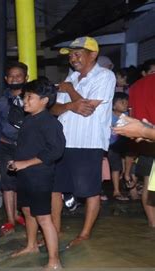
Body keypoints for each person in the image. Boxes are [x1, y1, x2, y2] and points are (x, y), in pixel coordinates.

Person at [50, 36, 116, 248]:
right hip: (64, 141)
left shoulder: (105, 76)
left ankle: (85, 234)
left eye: (77, 54)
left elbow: (87, 109)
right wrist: (70, 105)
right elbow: (54, 109)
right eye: (70, 55)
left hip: (89, 143)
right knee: (55, 189)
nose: (73, 58)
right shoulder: (71, 77)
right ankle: (56, 230)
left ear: (93, 54)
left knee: (89, 191)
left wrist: (69, 90)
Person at [8, 79, 65, 271]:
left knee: (43, 218)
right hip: (24, 175)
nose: (25, 100)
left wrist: (26, 163)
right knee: (27, 211)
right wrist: (16, 162)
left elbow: (56, 150)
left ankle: (54, 261)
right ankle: (31, 246)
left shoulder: (50, 122)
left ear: (44, 100)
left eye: (30, 97)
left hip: (39, 176)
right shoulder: (28, 120)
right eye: (25, 96)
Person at [0, 62, 29, 235]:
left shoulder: (32, 97)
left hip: (27, 147)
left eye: (18, 75)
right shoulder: (1, 101)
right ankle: (11, 220)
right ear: (6, 79)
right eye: (11, 76)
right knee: (7, 183)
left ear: (25, 78)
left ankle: (21, 214)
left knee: (26, 182)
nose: (15, 78)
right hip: (6, 145)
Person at [123, 66, 155, 227]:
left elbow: (132, 117)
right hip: (148, 137)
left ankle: (152, 223)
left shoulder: (135, 87)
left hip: (144, 143)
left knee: (150, 186)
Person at [108, 92, 130, 201]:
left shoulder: (127, 115)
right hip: (112, 146)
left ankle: (128, 184)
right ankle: (116, 191)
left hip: (124, 144)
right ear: (113, 105)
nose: (125, 104)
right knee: (116, 167)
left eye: (126, 102)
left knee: (129, 163)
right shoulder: (108, 116)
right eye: (122, 102)